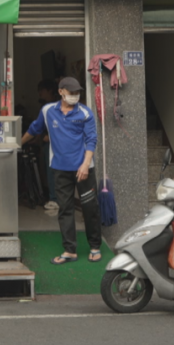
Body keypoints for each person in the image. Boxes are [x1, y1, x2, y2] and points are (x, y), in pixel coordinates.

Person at [20, 77, 101, 264]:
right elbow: (35, 129)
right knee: (65, 209)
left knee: (90, 208)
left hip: (84, 169)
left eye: (77, 93)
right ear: (61, 92)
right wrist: (18, 144)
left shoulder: (85, 113)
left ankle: (95, 246)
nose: (75, 96)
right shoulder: (48, 111)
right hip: (60, 169)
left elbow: (91, 140)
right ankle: (69, 250)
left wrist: (85, 164)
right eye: (71, 92)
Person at [36, 78, 59, 211]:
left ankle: (54, 199)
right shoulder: (44, 106)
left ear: (50, 91)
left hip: (53, 144)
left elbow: (60, 125)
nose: (39, 94)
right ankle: (52, 197)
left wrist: (50, 137)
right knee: (48, 171)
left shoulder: (56, 106)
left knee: (52, 172)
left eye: (42, 91)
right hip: (45, 143)